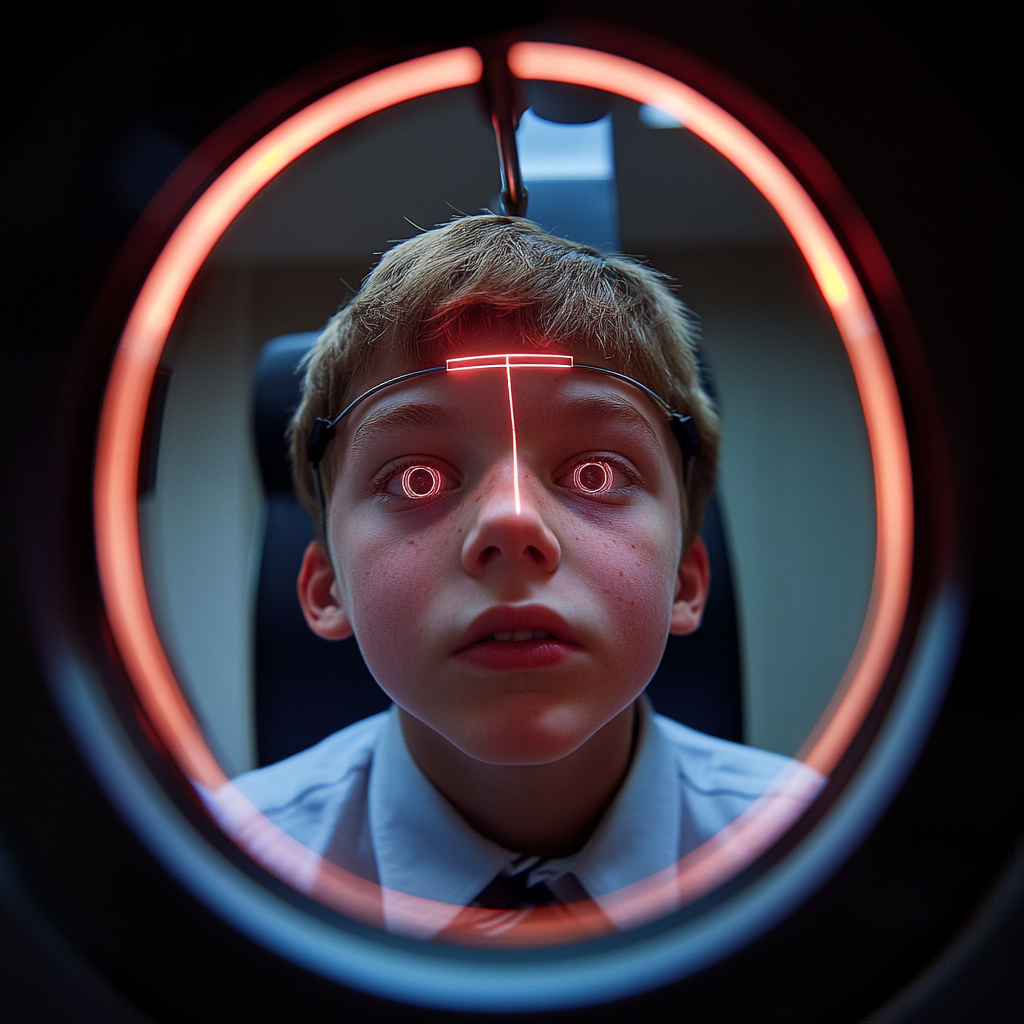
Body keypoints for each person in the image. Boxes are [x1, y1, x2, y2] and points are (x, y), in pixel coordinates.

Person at [227, 215, 822, 937]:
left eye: (596, 472)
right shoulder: (209, 881)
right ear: (326, 588)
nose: (511, 524)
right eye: (416, 479)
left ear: (689, 580)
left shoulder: (834, 862)